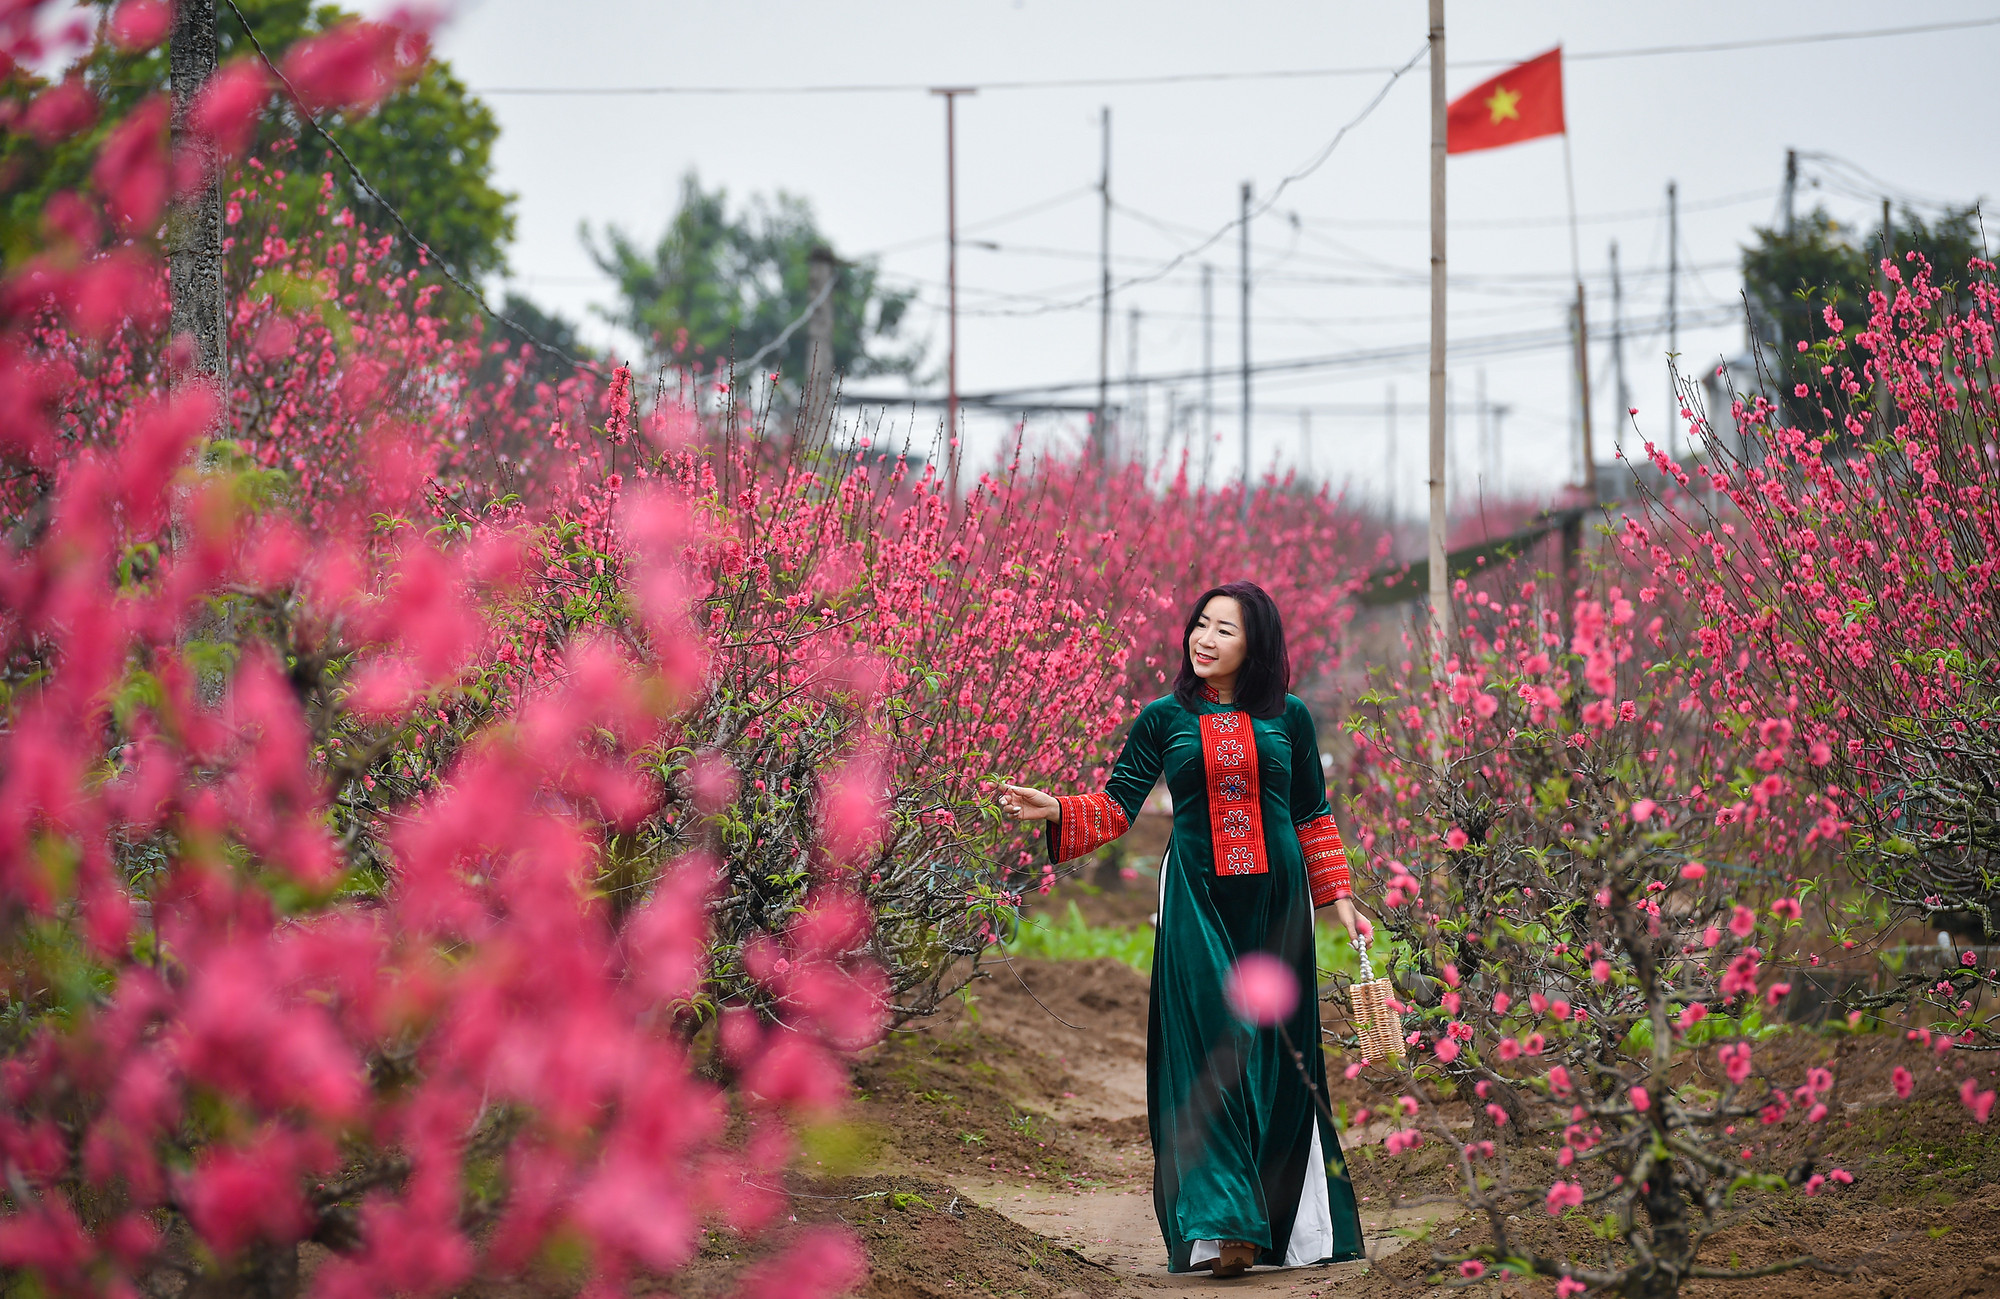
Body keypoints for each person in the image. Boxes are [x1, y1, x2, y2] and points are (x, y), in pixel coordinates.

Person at [999, 581, 1370, 1278]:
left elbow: (1313, 813)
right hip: (1195, 898)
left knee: (1275, 1054)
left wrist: (1340, 898)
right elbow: (1117, 807)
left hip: (1279, 905)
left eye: (1224, 629)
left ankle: (1273, 1216)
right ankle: (1227, 1222)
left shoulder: (1289, 717)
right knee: (1211, 1046)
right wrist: (1053, 805)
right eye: (1201, 623)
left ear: (1255, 644)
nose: (1205, 638)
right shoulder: (1162, 718)